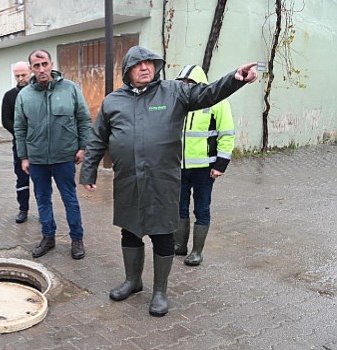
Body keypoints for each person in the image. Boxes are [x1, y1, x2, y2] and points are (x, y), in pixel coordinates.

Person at [80, 45, 256, 317]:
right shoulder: (113, 101)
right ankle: (133, 281)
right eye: (139, 64)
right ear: (128, 70)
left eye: (150, 63)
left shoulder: (174, 92)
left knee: (163, 235)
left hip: (163, 182)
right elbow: (97, 138)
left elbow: (208, 94)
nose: (145, 67)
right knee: (130, 231)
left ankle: (160, 291)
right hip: (128, 182)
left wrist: (235, 78)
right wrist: (88, 171)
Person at [14, 49, 92, 260]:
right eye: (36, 66)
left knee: (70, 199)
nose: (41, 69)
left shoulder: (70, 89)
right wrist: (23, 156)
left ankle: (77, 239)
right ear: (31, 68)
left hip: (65, 156)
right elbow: (19, 128)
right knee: (42, 199)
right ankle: (48, 237)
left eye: (44, 64)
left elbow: (84, 119)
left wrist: (83, 147)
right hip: (37, 158)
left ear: (51, 64)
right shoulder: (24, 95)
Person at [173, 65, 236, 266]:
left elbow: (227, 134)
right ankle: (180, 246)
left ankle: (197, 252)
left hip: (205, 169)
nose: (184, 86)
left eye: (189, 83)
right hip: (179, 166)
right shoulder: (178, 102)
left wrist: (220, 165)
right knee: (179, 208)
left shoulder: (218, 102)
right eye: (181, 82)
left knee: (201, 209)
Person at [1, 61, 32, 224]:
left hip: (40, 145)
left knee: (42, 180)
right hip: (20, 145)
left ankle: (44, 209)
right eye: (17, 76)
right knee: (21, 178)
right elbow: (5, 120)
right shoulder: (9, 96)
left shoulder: (39, 93)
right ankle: (23, 209)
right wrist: (20, 133)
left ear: (30, 72)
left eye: (23, 75)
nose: (20, 78)